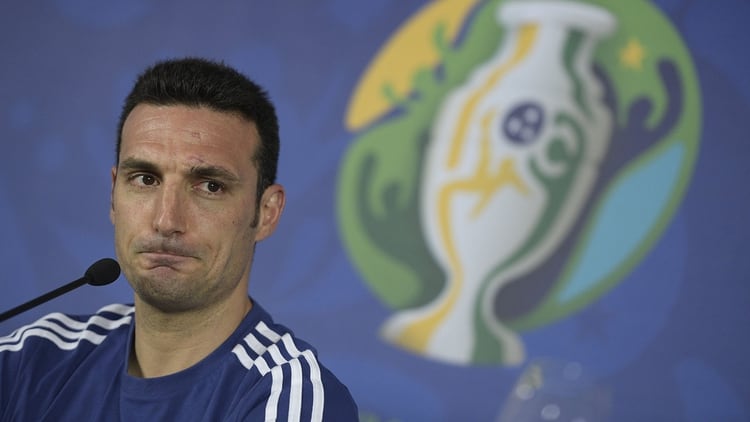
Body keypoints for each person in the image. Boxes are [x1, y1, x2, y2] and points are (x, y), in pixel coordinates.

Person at [0, 58, 358, 421]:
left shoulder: (289, 397)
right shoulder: (29, 359)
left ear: (266, 212)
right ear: (113, 194)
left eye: (210, 186)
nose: (166, 220)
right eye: (145, 179)